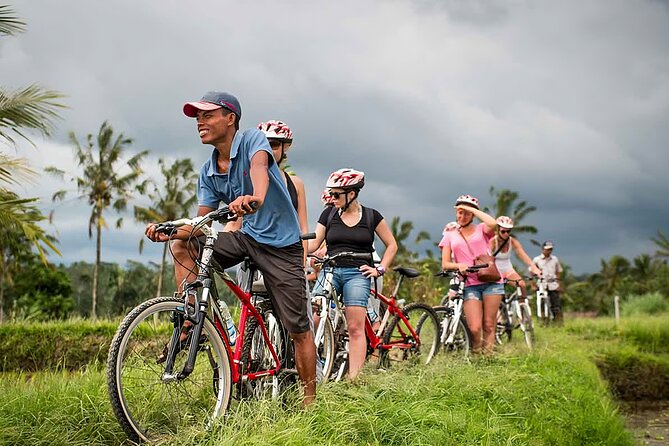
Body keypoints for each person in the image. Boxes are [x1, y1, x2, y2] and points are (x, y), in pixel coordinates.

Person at [145, 91, 316, 405]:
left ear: (230, 118)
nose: (200, 122)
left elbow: (259, 173)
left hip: (282, 245)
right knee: (185, 241)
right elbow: (202, 223)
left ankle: (309, 400)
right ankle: (191, 312)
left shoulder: (253, 141)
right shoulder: (208, 171)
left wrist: (255, 199)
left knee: (298, 327)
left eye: (207, 115)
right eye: (197, 117)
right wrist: (169, 228)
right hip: (247, 239)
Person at [308, 168, 397, 380]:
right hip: (330, 269)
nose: (332, 198)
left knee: (355, 326)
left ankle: (354, 378)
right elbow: (313, 243)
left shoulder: (371, 216)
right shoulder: (328, 214)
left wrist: (379, 269)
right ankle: (315, 368)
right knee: (315, 317)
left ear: (352, 193)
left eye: (336, 194)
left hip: (357, 273)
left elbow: (392, 245)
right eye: (331, 193)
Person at [439, 194, 503, 354]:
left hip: (491, 282)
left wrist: (470, 208)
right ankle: (476, 355)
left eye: (466, 213)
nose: (462, 216)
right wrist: (458, 265)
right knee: (474, 327)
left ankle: (487, 358)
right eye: (459, 212)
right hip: (469, 284)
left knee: (489, 324)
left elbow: (493, 223)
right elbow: (445, 264)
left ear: (473, 214)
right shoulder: (450, 234)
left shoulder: (482, 229)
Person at [490, 216, 542, 299]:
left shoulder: (512, 241)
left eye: (508, 231)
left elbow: (522, 254)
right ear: (498, 230)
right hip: (495, 271)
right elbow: (487, 257)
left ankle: (522, 306)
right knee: (497, 296)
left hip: (507, 270)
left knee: (521, 285)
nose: (506, 234)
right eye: (503, 232)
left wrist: (533, 267)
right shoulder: (493, 241)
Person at [532, 240, 564, 324]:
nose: (549, 251)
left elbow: (558, 272)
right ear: (542, 249)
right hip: (541, 284)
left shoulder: (555, 259)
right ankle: (543, 321)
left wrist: (559, 284)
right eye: (547, 249)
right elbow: (531, 272)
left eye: (550, 249)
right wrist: (532, 285)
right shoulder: (537, 260)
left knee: (556, 304)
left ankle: (558, 322)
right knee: (541, 303)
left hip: (553, 283)